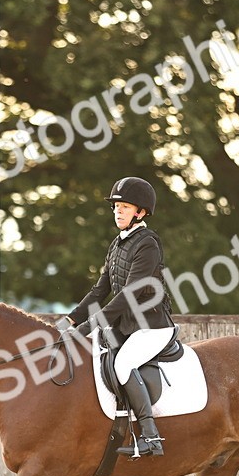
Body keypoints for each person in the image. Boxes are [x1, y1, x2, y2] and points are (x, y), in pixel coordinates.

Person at [60, 177, 175, 458]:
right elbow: (101, 289)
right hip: (126, 326)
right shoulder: (117, 244)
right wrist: (70, 321)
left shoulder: (148, 244)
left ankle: (151, 436)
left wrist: (90, 324)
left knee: (123, 364)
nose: (118, 212)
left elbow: (129, 296)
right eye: (116, 207)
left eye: (124, 207)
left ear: (141, 212)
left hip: (151, 326)